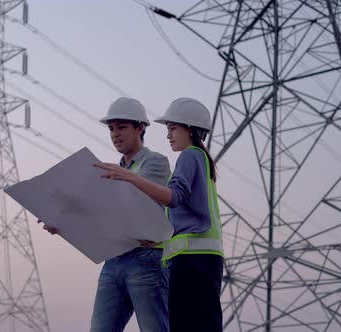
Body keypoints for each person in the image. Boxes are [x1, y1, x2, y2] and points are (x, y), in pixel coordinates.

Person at [40, 97, 171, 332]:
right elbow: (103, 213)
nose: (114, 134)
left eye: (121, 127)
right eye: (111, 128)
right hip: (114, 261)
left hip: (146, 260)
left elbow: (134, 204)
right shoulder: (110, 172)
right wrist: (61, 220)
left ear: (140, 128)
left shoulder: (155, 162)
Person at [94, 98, 224, 332]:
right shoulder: (200, 160)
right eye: (111, 128)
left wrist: (131, 177)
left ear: (191, 129)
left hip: (191, 260)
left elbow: (173, 198)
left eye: (173, 128)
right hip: (193, 259)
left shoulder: (188, 156)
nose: (168, 136)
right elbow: (185, 215)